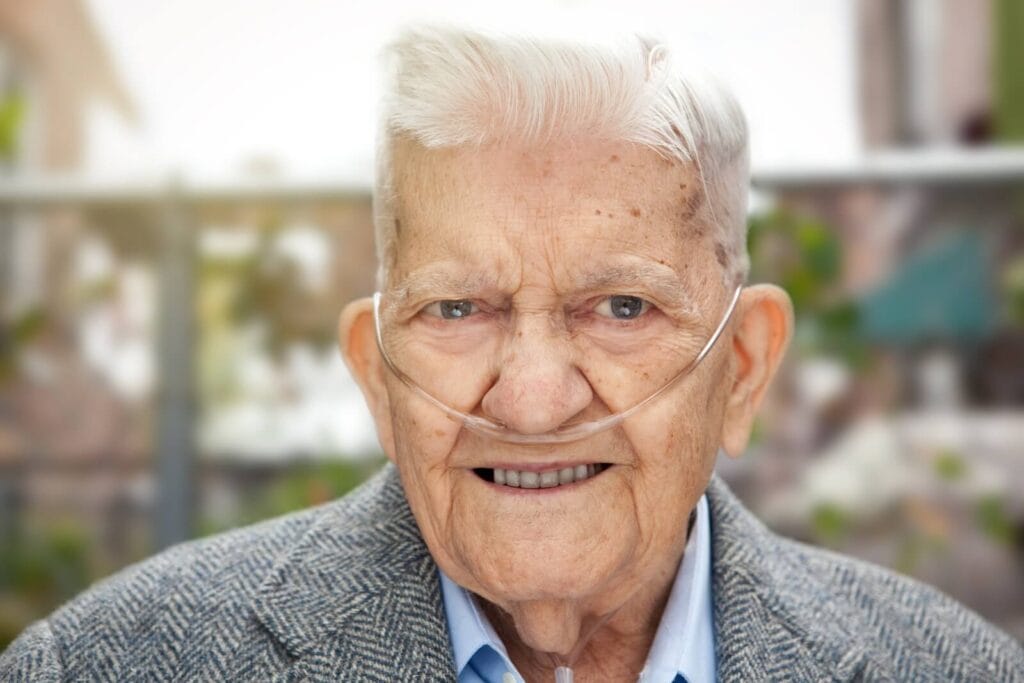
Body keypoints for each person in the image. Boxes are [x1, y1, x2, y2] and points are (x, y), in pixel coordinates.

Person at [2, 23, 1022, 683]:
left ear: (743, 366)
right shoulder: (106, 665)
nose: (533, 400)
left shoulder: (955, 670)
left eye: (619, 306)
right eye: (457, 309)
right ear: (375, 371)